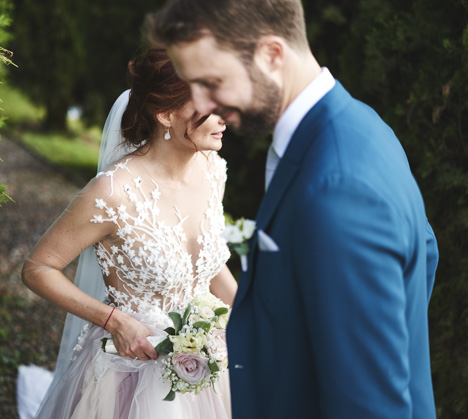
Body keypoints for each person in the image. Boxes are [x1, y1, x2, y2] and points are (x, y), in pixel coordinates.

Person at [146, 1, 439, 418]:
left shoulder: (337, 186)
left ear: (272, 53)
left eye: (211, 81)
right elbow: (425, 256)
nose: (201, 102)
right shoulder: (361, 126)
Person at [21, 48, 237, 419]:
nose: (225, 116)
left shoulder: (212, 169)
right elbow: (37, 268)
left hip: (209, 365)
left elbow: (204, 260)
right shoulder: (112, 193)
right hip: (128, 373)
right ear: (165, 114)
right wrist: (114, 321)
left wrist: (251, 316)